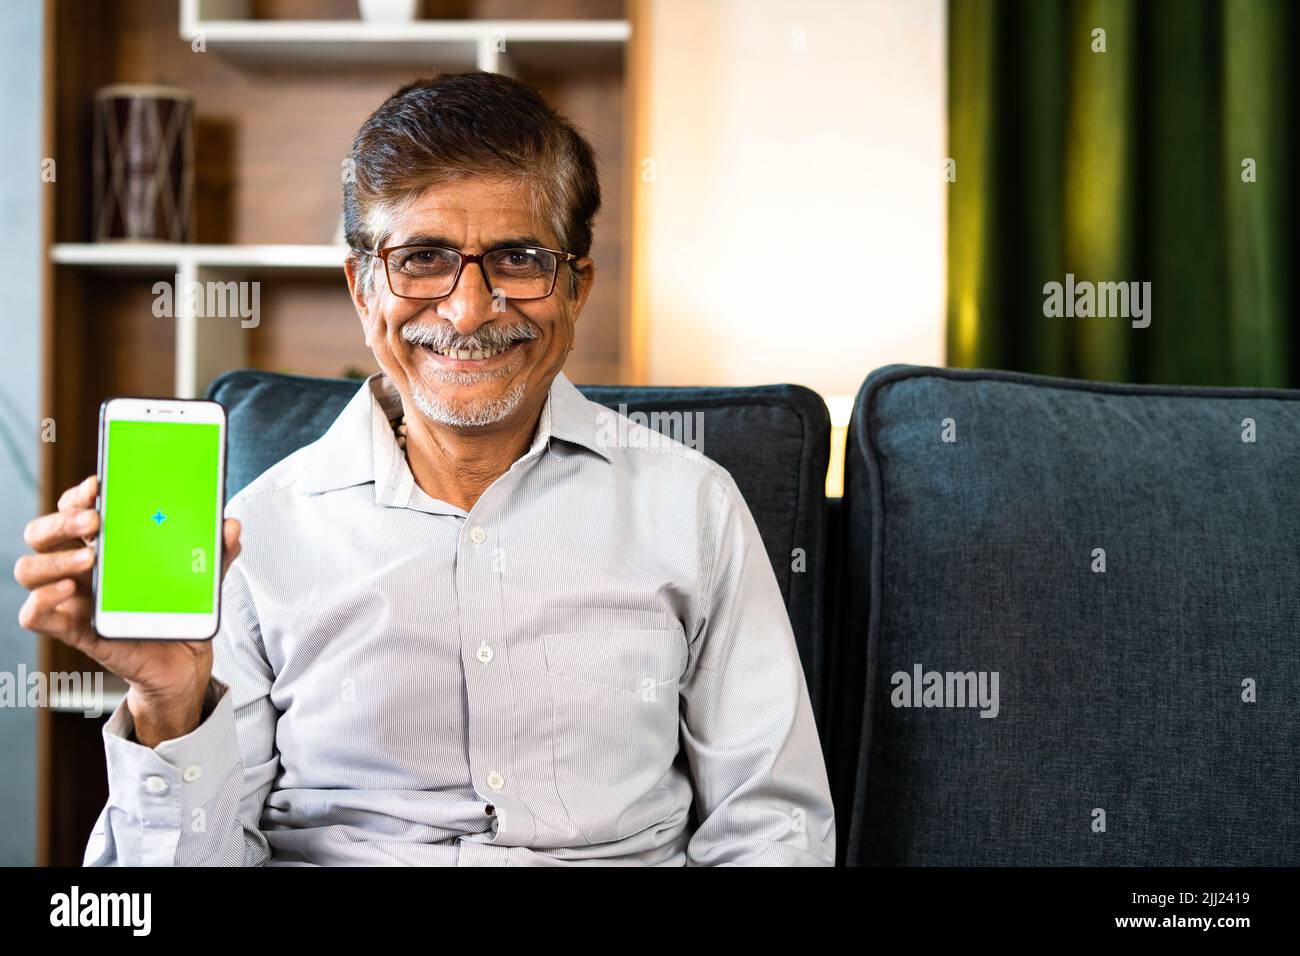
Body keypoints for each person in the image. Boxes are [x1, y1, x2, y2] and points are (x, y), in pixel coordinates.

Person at [15, 71, 835, 866]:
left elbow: (770, 829)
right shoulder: (250, 537)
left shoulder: (691, 507)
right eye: (421, 258)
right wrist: (169, 708)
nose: (470, 309)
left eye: (518, 258)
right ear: (363, 286)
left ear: (577, 287)